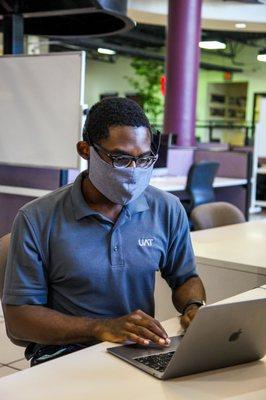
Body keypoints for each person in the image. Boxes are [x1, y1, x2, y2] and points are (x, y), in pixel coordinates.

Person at [2, 97, 206, 366]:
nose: (134, 171)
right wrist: (100, 328)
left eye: (144, 159)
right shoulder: (37, 218)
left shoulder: (166, 209)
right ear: (86, 150)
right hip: (63, 355)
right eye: (121, 158)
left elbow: (185, 278)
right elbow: (19, 322)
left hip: (135, 350)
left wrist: (194, 306)